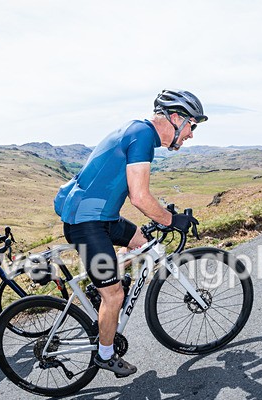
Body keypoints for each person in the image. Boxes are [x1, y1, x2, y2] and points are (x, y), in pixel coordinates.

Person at [54, 89, 206, 377]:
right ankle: (105, 353)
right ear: (175, 118)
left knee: (143, 243)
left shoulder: (138, 131)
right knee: (115, 295)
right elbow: (139, 197)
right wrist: (172, 219)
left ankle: (103, 281)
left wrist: (159, 220)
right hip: (86, 222)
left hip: (102, 217)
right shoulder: (143, 136)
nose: (191, 135)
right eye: (192, 126)